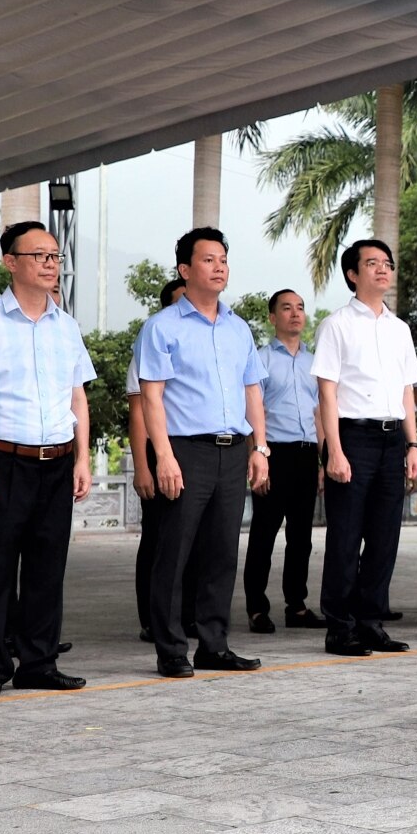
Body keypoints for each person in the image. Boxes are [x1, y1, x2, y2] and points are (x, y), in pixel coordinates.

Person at [0, 222, 95, 698]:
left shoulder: (66, 326)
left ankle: (39, 662)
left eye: (55, 257)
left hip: (56, 461)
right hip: (1, 461)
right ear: (11, 262)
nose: (51, 264)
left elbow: (78, 398)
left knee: (48, 568)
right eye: (40, 256)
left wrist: (82, 459)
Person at [136, 228, 269, 678]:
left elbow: (252, 390)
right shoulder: (162, 327)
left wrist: (260, 448)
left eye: (224, 260)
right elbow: (151, 398)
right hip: (186, 451)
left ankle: (214, 644)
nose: (219, 267)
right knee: (173, 554)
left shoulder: (239, 328)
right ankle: (171, 650)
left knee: (221, 552)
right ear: (185, 270)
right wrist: (164, 457)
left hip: (234, 451)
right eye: (209, 260)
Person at [313, 239, 417, 657]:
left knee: (384, 536)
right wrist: (334, 452)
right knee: (345, 535)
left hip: (393, 437)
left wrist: (412, 446)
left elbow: (406, 392)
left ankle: (371, 621)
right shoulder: (337, 324)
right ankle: (340, 628)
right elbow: (327, 392)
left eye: (387, 263)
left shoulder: (400, 329)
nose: (382, 269)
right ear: (352, 275)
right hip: (351, 437)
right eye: (372, 263)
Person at [245, 289, 327, 633]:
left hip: (307, 455)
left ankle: (296, 605)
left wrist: (325, 459)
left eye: (300, 308)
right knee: (263, 534)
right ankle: (257, 609)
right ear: (272, 317)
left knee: (301, 536)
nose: (295, 314)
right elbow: (253, 411)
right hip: (273, 453)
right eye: (286, 308)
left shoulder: (315, 363)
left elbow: (321, 411)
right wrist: (258, 454)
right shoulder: (261, 359)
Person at [129, 278, 187, 643]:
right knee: (158, 539)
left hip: (192, 448)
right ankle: (152, 618)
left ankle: (189, 615)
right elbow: (139, 412)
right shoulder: (153, 338)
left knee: (192, 540)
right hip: (158, 449)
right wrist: (142, 467)